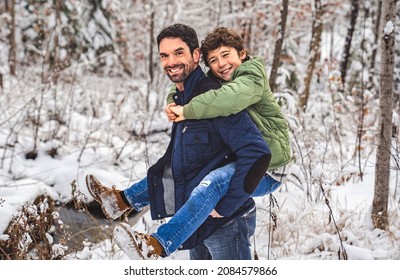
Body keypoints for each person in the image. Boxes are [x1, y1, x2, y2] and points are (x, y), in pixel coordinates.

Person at [86, 23, 272, 260]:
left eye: (178, 53)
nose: (170, 61)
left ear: (195, 55)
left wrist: (228, 204)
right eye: (164, 55)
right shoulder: (182, 99)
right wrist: (128, 199)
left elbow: (256, 152)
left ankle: (155, 244)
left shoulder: (213, 98)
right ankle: (119, 202)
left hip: (226, 223)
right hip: (198, 223)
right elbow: (182, 166)